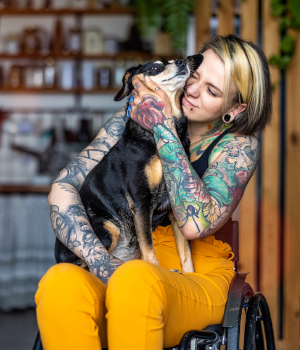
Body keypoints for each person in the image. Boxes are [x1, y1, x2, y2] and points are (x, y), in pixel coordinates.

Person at [35, 34, 272, 350]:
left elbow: (193, 224)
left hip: (195, 272)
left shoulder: (238, 145)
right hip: (123, 259)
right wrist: (101, 263)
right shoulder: (127, 121)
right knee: (59, 283)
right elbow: (63, 189)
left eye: (212, 91)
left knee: (136, 280)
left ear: (236, 107)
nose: (193, 92)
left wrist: (162, 126)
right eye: (194, 76)